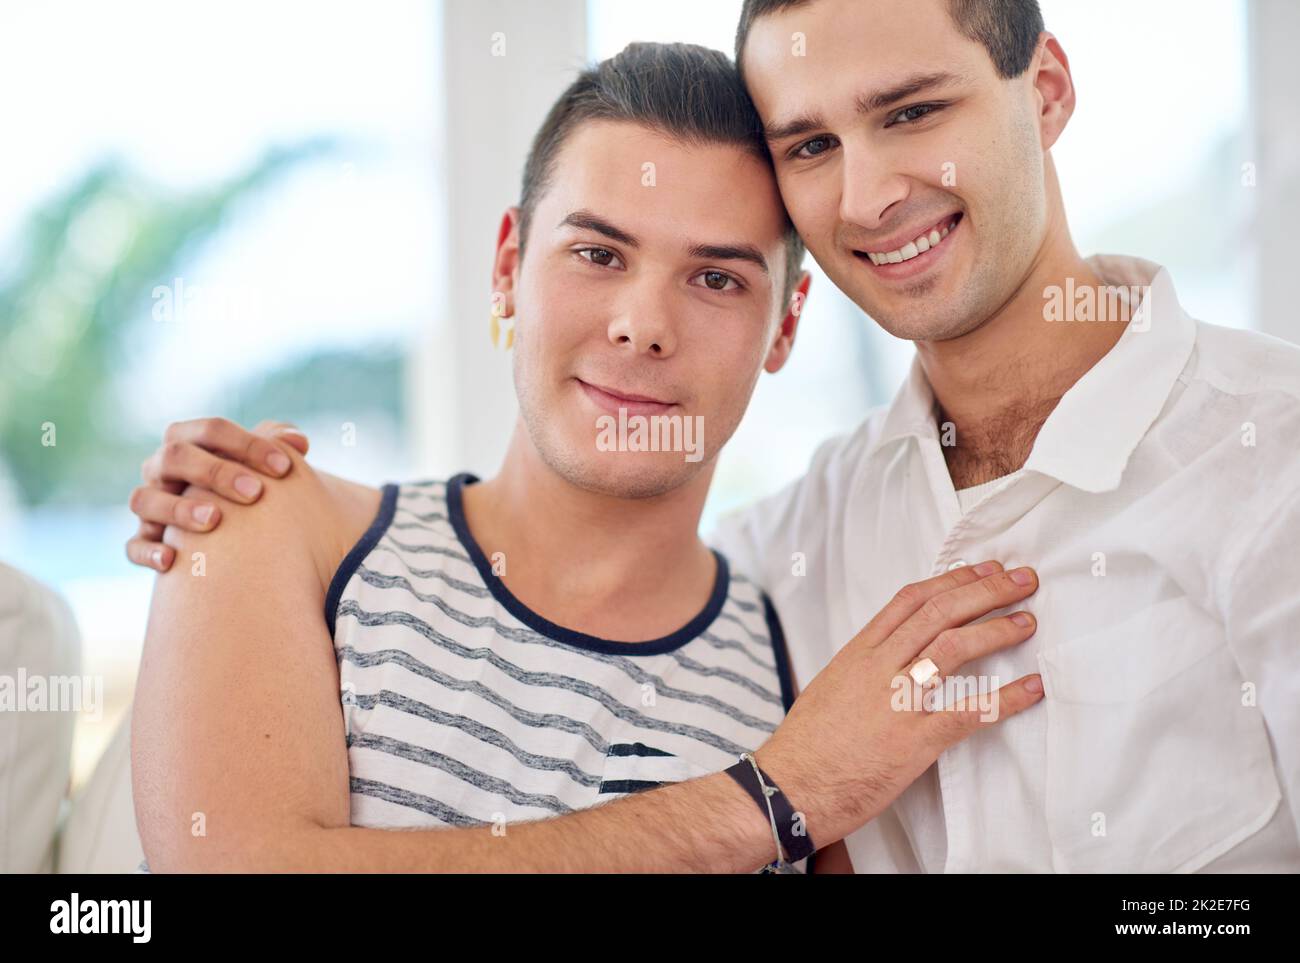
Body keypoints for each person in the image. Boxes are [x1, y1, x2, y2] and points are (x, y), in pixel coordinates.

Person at [127, 42, 1045, 873]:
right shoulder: (267, 520)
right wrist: (767, 800)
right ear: (507, 268)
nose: (643, 326)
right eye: (599, 253)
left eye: (717, 278)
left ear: (785, 327)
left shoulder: (801, 669)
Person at [714, 0, 1299, 871]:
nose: (867, 199)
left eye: (911, 113)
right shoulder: (790, 546)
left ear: (1049, 93)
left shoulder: (1274, 452)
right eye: (811, 147)